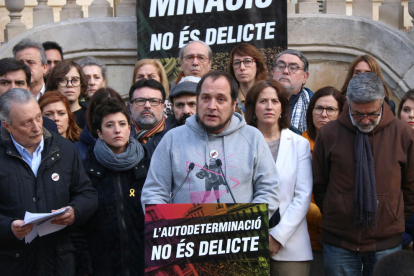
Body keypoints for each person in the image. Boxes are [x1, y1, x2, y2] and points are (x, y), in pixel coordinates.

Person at [313, 72, 414, 276]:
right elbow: (320, 184)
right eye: (358, 113)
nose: (365, 120)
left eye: (372, 113)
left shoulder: (403, 134)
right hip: (339, 243)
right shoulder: (329, 134)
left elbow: (410, 187)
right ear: (348, 102)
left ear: (382, 102)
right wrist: (337, 210)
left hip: (386, 243)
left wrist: (392, 217)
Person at [141, 71, 280, 218]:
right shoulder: (172, 139)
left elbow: (269, 190)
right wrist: (167, 225)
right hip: (184, 237)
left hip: (239, 236)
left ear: (233, 105)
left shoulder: (253, 137)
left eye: (221, 99)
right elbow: (154, 192)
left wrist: (246, 224)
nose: (211, 106)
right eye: (206, 98)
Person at [0, 88, 98, 276]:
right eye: (26, 123)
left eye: (38, 117)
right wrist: (8, 227)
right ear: (7, 126)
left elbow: (88, 194)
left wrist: (74, 212)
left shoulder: (65, 149)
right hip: (13, 262)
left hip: (58, 261)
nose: (37, 127)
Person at [245, 79, 313, 276]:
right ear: (252, 107)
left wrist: (277, 237)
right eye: (263, 101)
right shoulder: (239, 143)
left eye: (275, 101)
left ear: (283, 107)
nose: (269, 106)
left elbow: (302, 196)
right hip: (246, 242)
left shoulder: (299, 143)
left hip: (291, 246)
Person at [82, 98, 147, 275]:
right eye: (109, 125)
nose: (117, 130)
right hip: (103, 264)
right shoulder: (87, 168)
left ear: (129, 128)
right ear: (100, 133)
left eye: (122, 124)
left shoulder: (148, 162)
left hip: (143, 261)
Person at [302, 86, 345, 276]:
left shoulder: (349, 146)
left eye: (331, 110)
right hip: (302, 237)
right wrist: (322, 222)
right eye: (318, 108)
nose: (323, 114)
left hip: (339, 238)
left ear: (341, 113)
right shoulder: (298, 143)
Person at [0, 58, 58, 133]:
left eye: (19, 83)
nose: (13, 88)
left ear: (28, 88)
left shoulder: (48, 126)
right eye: (5, 83)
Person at [75, 87, 124, 161]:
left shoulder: (138, 150)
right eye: (103, 112)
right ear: (93, 116)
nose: (117, 129)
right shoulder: (77, 150)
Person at [272, 49, 313, 133]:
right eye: (280, 66)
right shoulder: (256, 102)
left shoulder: (314, 106)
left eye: (293, 68)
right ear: (273, 72)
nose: (286, 71)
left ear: (305, 77)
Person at [46, 60, 88, 129]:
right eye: (63, 80)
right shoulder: (46, 116)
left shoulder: (91, 116)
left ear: (81, 84)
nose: (69, 85)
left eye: (75, 80)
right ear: (54, 85)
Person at [228, 43, 267, 113]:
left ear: (258, 65)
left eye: (247, 61)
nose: (242, 67)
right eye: (237, 63)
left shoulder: (269, 94)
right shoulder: (228, 97)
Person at [129, 79, 168, 144]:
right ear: (131, 107)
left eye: (153, 101)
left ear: (163, 107)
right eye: (140, 100)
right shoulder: (119, 135)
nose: (147, 105)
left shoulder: (175, 137)